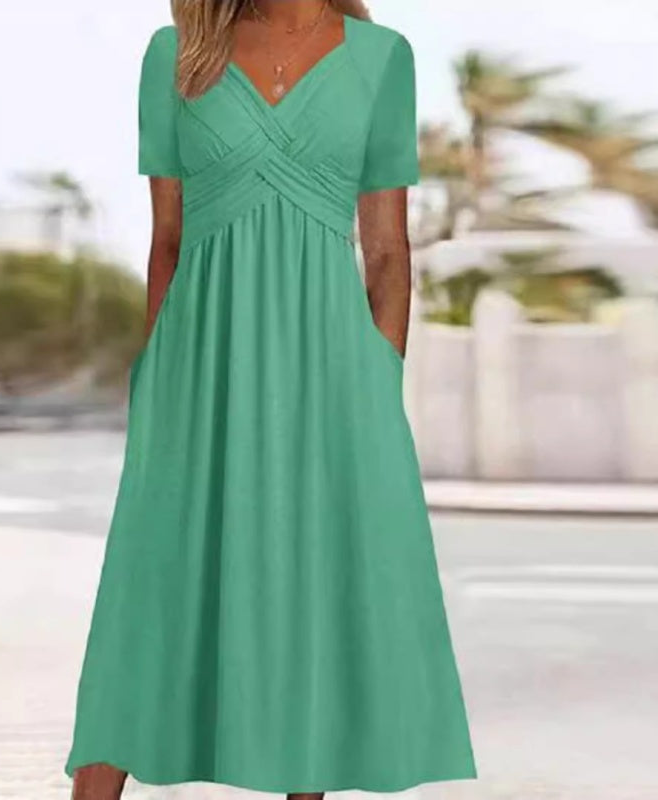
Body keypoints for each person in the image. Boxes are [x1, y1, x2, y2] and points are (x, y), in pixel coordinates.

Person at [66, 1, 477, 798]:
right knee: (151, 583)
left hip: (336, 372)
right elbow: (168, 241)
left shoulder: (382, 58)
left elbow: (387, 253)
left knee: (313, 576)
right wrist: (158, 377)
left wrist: (376, 381)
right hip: (197, 365)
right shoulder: (177, 53)